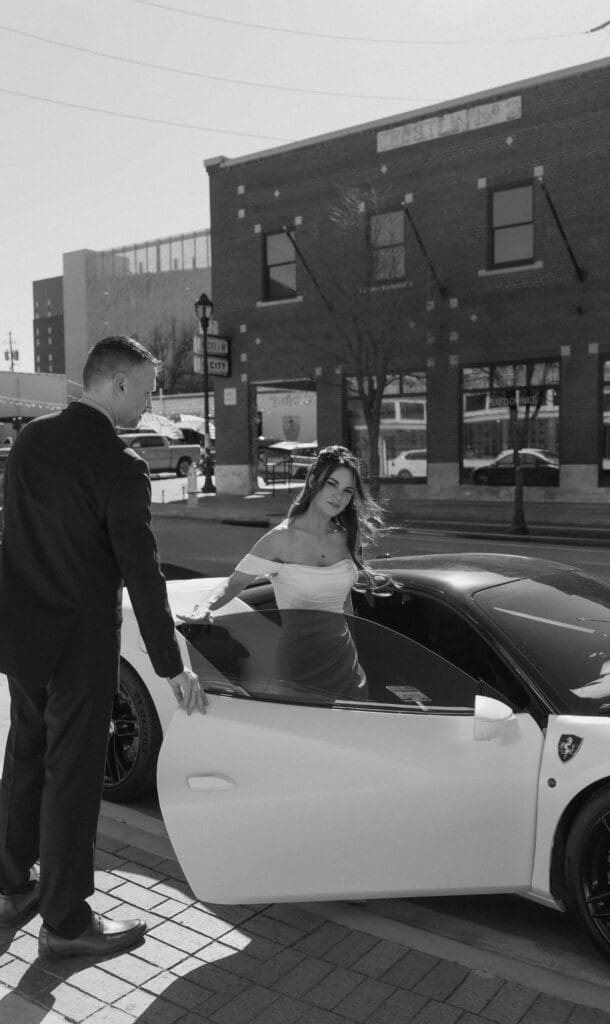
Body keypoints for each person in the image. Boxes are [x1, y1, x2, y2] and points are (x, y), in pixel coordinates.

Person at [0, 336, 207, 959]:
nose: (149, 404)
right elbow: (142, 573)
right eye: (145, 390)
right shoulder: (121, 465)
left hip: (23, 633)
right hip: (82, 647)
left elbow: (12, 535)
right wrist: (170, 665)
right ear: (116, 383)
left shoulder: (30, 442)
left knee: (25, 755)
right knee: (72, 777)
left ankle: (10, 886)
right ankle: (65, 922)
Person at [181, 445, 384, 700]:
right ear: (314, 480)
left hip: (345, 665)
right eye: (331, 484)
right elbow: (233, 584)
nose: (338, 496)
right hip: (299, 667)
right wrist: (204, 607)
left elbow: (345, 603)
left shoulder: (347, 538)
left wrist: (356, 650)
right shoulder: (280, 540)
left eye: (347, 491)